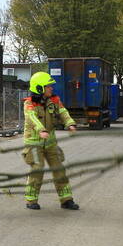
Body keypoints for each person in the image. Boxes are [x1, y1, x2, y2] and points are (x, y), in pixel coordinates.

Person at [22, 71, 79, 210]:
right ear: (40, 88)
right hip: (34, 143)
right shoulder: (29, 104)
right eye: (48, 86)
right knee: (37, 169)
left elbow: (63, 112)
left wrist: (70, 123)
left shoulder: (54, 101)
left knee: (59, 170)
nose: (51, 88)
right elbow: (32, 117)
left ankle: (66, 200)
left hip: (51, 143)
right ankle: (31, 200)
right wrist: (41, 129)